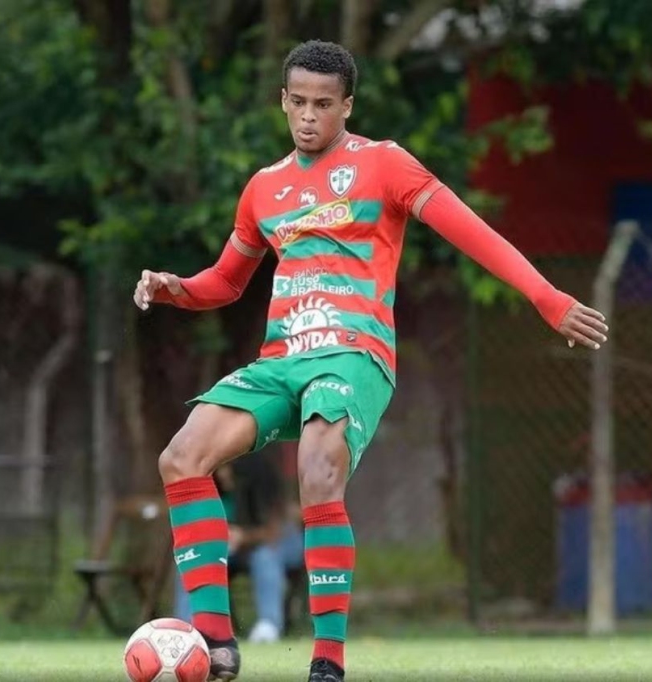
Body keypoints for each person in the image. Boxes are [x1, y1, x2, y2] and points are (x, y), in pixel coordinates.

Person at [134, 40, 608, 682]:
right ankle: (215, 648)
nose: (308, 116)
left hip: (354, 353)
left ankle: (327, 662)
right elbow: (226, 281)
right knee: (182, 457)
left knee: (317, 470)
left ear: (347, 105)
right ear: (282, 100)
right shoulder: (263, 189)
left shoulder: (385, 165)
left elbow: (472, 230)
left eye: (323, 105)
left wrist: (547, 298)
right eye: (297, 102)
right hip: (283, 358)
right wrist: (176, 288)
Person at [173, 454, 304, 644]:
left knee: (265, 557)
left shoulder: (264, 492)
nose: (224, 474)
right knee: (194, 556)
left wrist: (243, 536)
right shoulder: (214, 493)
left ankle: (269, 624)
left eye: (229, 469)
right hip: (232, 550)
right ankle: (188, 626)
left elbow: (273, 534)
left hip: (274, 548)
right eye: (220, 468)